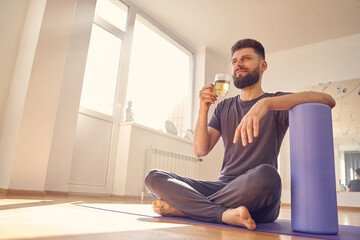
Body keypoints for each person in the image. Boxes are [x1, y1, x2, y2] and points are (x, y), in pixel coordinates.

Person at [144, 39, 336, 230]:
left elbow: (327, 99)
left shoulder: (277, 102)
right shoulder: (223, 107)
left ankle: (186, 209)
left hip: (257, 191)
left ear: (263, 66)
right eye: (234, 61)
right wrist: (203, 108)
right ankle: (222, 214)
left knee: (268, 175)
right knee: (154, 177)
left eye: (245, 59)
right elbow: (200, 150)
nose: (238, 64)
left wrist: (265, 103)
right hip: (224, 187)